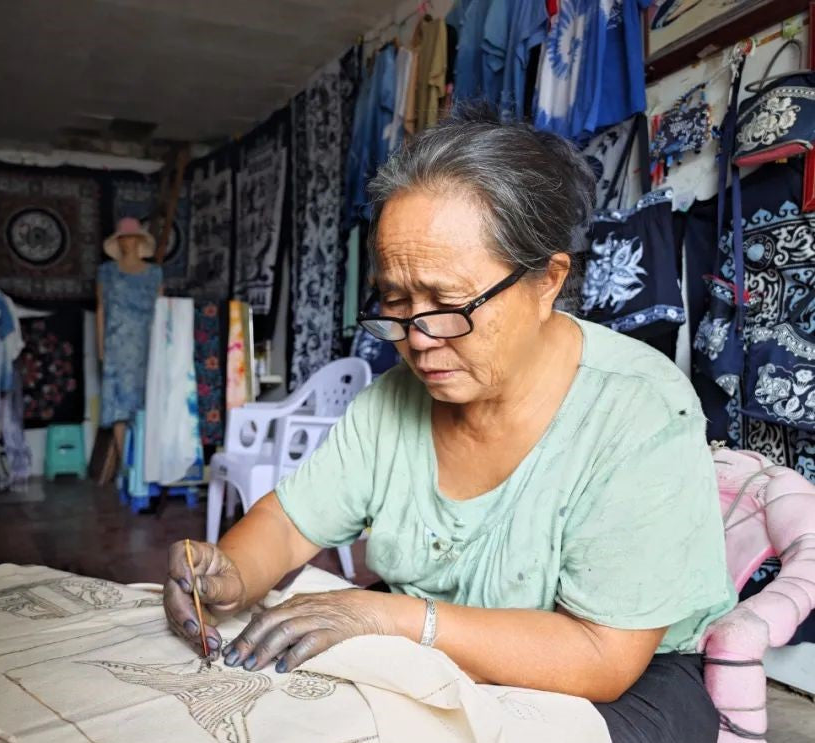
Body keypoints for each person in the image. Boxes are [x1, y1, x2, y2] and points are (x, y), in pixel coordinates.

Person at [164, 107, 735, 743]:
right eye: (396, 302)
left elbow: (602, 657)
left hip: (619, 682)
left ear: (548, 280)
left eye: (449, 304)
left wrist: (385, 617)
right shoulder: (391, 401)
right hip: (425, 639)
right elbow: (293, 522)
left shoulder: (638, 410)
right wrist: (228, 572)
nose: (419, 338)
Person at [96, 217, 163, 479]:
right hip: (117, 347)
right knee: (119, 407)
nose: (127, 243)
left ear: (139, 241)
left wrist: (162, 347)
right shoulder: (107, 272)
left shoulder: (155, 273)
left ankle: (148, 465)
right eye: (122, 238)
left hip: (148, 345)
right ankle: (127, 467)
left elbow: (162, 308)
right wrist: (101, 348)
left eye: (131, 238)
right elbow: (101, 309)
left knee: (147, 403)